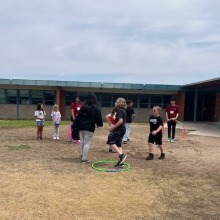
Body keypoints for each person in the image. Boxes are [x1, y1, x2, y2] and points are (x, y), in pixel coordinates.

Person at [74, 93, 103, 163]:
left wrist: (75, 125)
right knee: (87, 143)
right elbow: (98, 118)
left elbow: (78, 117)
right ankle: (84, 159)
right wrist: (100, 124)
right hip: (89, 128)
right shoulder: (95, 108)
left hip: (81, 127)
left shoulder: (83, 107)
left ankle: (82, 154)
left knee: (83, 142)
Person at [107, 98, 127, 167]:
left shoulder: (119, 110)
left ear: (118, 103)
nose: (114, 103)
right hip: (122, 129)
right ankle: (121, 161)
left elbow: (120, 121)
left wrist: (112, 127)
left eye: (115, 102)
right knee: (118, 145)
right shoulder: (123, 110)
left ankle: (122, 156)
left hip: (119, 129)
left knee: (110, 141)